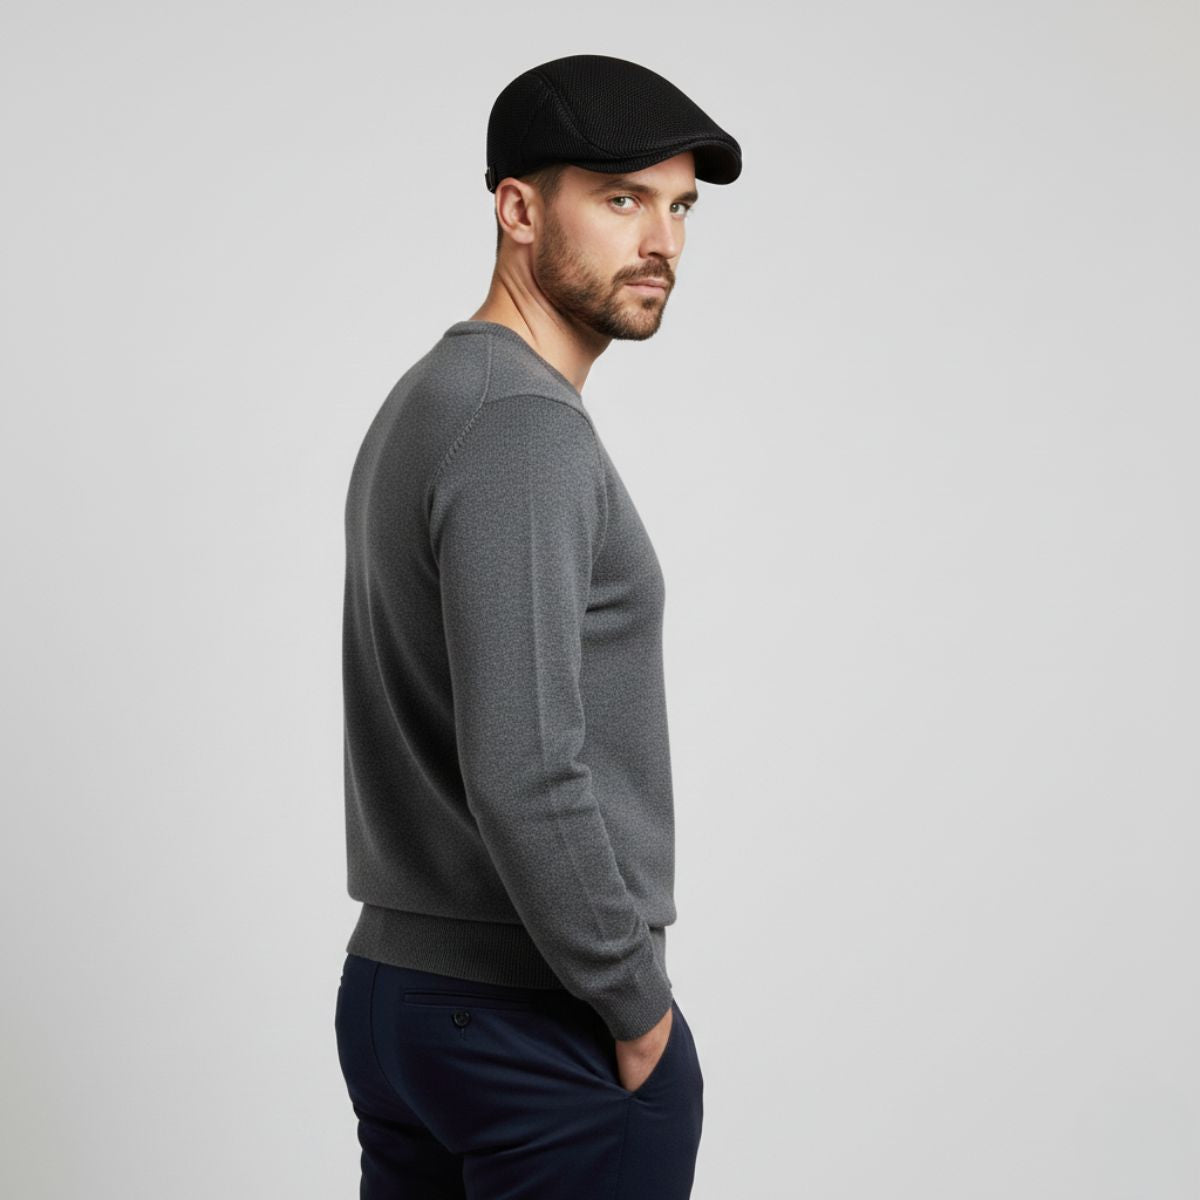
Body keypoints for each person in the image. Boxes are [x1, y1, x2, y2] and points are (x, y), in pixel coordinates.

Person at [333, 52, 742, 1198]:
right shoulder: (521, 426)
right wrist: (635, 1004)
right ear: (518, 210)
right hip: (533, 1016)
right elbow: (525, 766)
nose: (661, 241)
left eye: (679, 208)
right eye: (620, 200)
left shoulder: (436, 397)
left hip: (406, 1000)